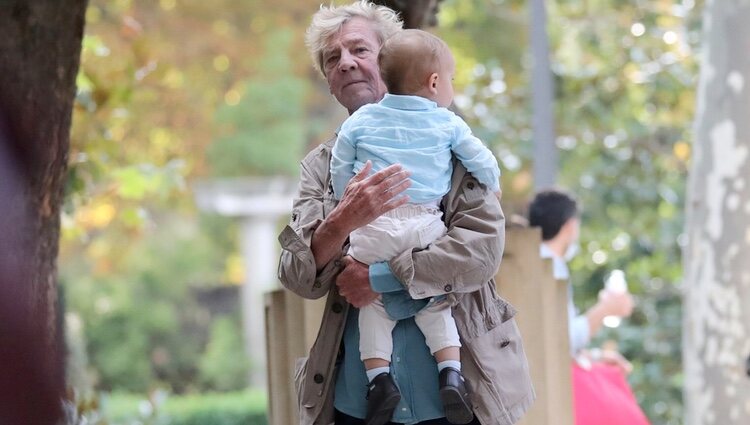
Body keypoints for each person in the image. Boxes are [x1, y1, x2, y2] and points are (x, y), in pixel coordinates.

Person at [277, 2, 535, 425]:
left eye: (359, 50)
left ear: (389, 59)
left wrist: (378, 277)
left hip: (464, 395)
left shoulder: (451, 143)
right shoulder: (321, 167)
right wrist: (342, 219)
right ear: (327, 80)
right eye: (331, 58)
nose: (345, 64)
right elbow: (295, 275)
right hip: (358, 402)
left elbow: (480, 253)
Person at [330, 29, 501, 425]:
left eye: (359, 50)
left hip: (373, 225)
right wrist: (492, 179)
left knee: (371, 305)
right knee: (436, 304)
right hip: (425, 222)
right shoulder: (447, 123)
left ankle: (379, 380)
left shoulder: (360, 124)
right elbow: (484, 162)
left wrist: (348, 205)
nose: (346, 62)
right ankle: (451, 373)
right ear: (435, 81)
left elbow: (342, 171)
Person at [528, 189, 649, 425]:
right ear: (570, 226)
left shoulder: (534, 260)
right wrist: (605, 309)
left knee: (611, 375)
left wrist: (595, 356)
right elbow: (563, 341)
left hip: (542, 372)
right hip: (545, 383)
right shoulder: (548, 265)